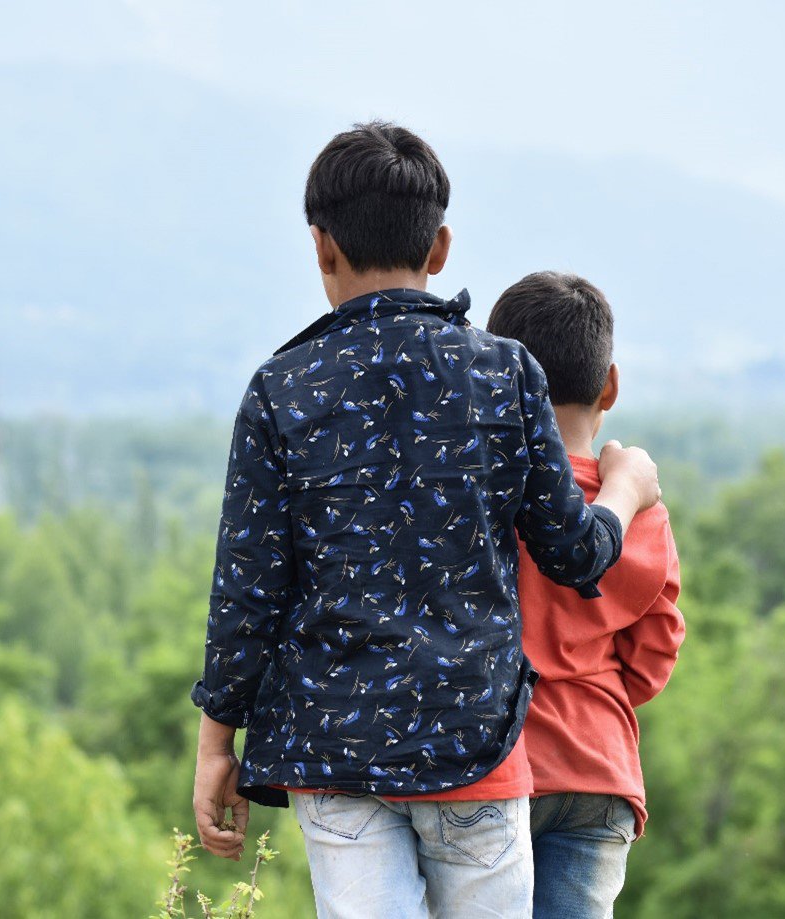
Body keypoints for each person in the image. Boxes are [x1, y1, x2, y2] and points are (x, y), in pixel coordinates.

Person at [190, 122, 661, 919]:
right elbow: (574, 555)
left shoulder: (281, 390)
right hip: (474, 746)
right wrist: (627, 487)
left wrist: (215, 745)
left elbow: (249, 591)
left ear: (320, 248)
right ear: (440, 247)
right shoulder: (504, 372)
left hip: (333, 753)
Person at [486, 272, 686, 919]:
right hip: (599, 771)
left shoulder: (476, 497)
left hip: (493, 767)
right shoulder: (636, 505)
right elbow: (653, 654)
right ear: (610, 385)